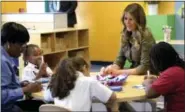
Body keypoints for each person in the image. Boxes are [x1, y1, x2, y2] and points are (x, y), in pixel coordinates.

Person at [101, 3, 156, 76]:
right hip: (135, 73)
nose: (127, 22)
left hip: (149, 75)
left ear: (138, 20)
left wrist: (118, 72)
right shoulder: (125, 34)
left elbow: (144, 67)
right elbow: (120, 60)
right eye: (125, 18)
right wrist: (110, 69)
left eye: (131, 19)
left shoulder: (146, 36)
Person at [45, 57, 116, 111]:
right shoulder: (89, 81)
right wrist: (107, 89)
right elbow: (111, 97)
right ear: (84, 68)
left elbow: (47, 97)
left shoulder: (56, 81)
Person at [1, 22, 43, 112]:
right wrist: (25, 89)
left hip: (9, 106)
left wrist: (19, 85)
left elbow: (5, 85)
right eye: (21, 45)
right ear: (9, 43)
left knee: (41, 105)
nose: (24, 49)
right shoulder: (2, 62)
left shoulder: (6, 57)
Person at [143, 42, 185, 112]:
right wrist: (158, 79)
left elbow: (150, 94)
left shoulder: (171, 73)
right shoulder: (179, 67)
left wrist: (147, 82)